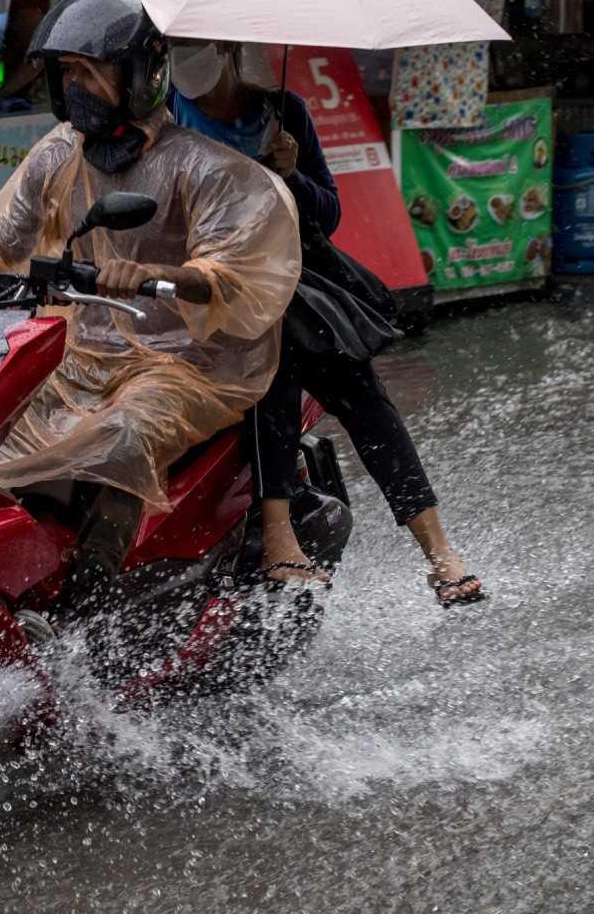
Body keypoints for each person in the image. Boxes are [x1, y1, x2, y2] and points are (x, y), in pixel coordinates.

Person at [0, 0, 302, 605]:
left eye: (89, 70)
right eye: (65, 73)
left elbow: (233, 268)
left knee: (123, 437)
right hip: (78, 350)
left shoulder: (205, 168)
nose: (74, 85)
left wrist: (153, 272)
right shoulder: (58, 151)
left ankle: (91, 607)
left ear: (140, 75)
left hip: (183, 363)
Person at [168, 39, 486, 607]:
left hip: (298, 278)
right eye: (175, 46)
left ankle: (440, 554)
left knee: (364, 395)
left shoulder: (283, 112)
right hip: (207, 290)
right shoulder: (166, 115)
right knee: (273, 349)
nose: (184, 57)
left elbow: (329, 213)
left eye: (194, 46)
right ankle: (277, 534)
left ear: (225, 49)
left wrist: (290, 174)